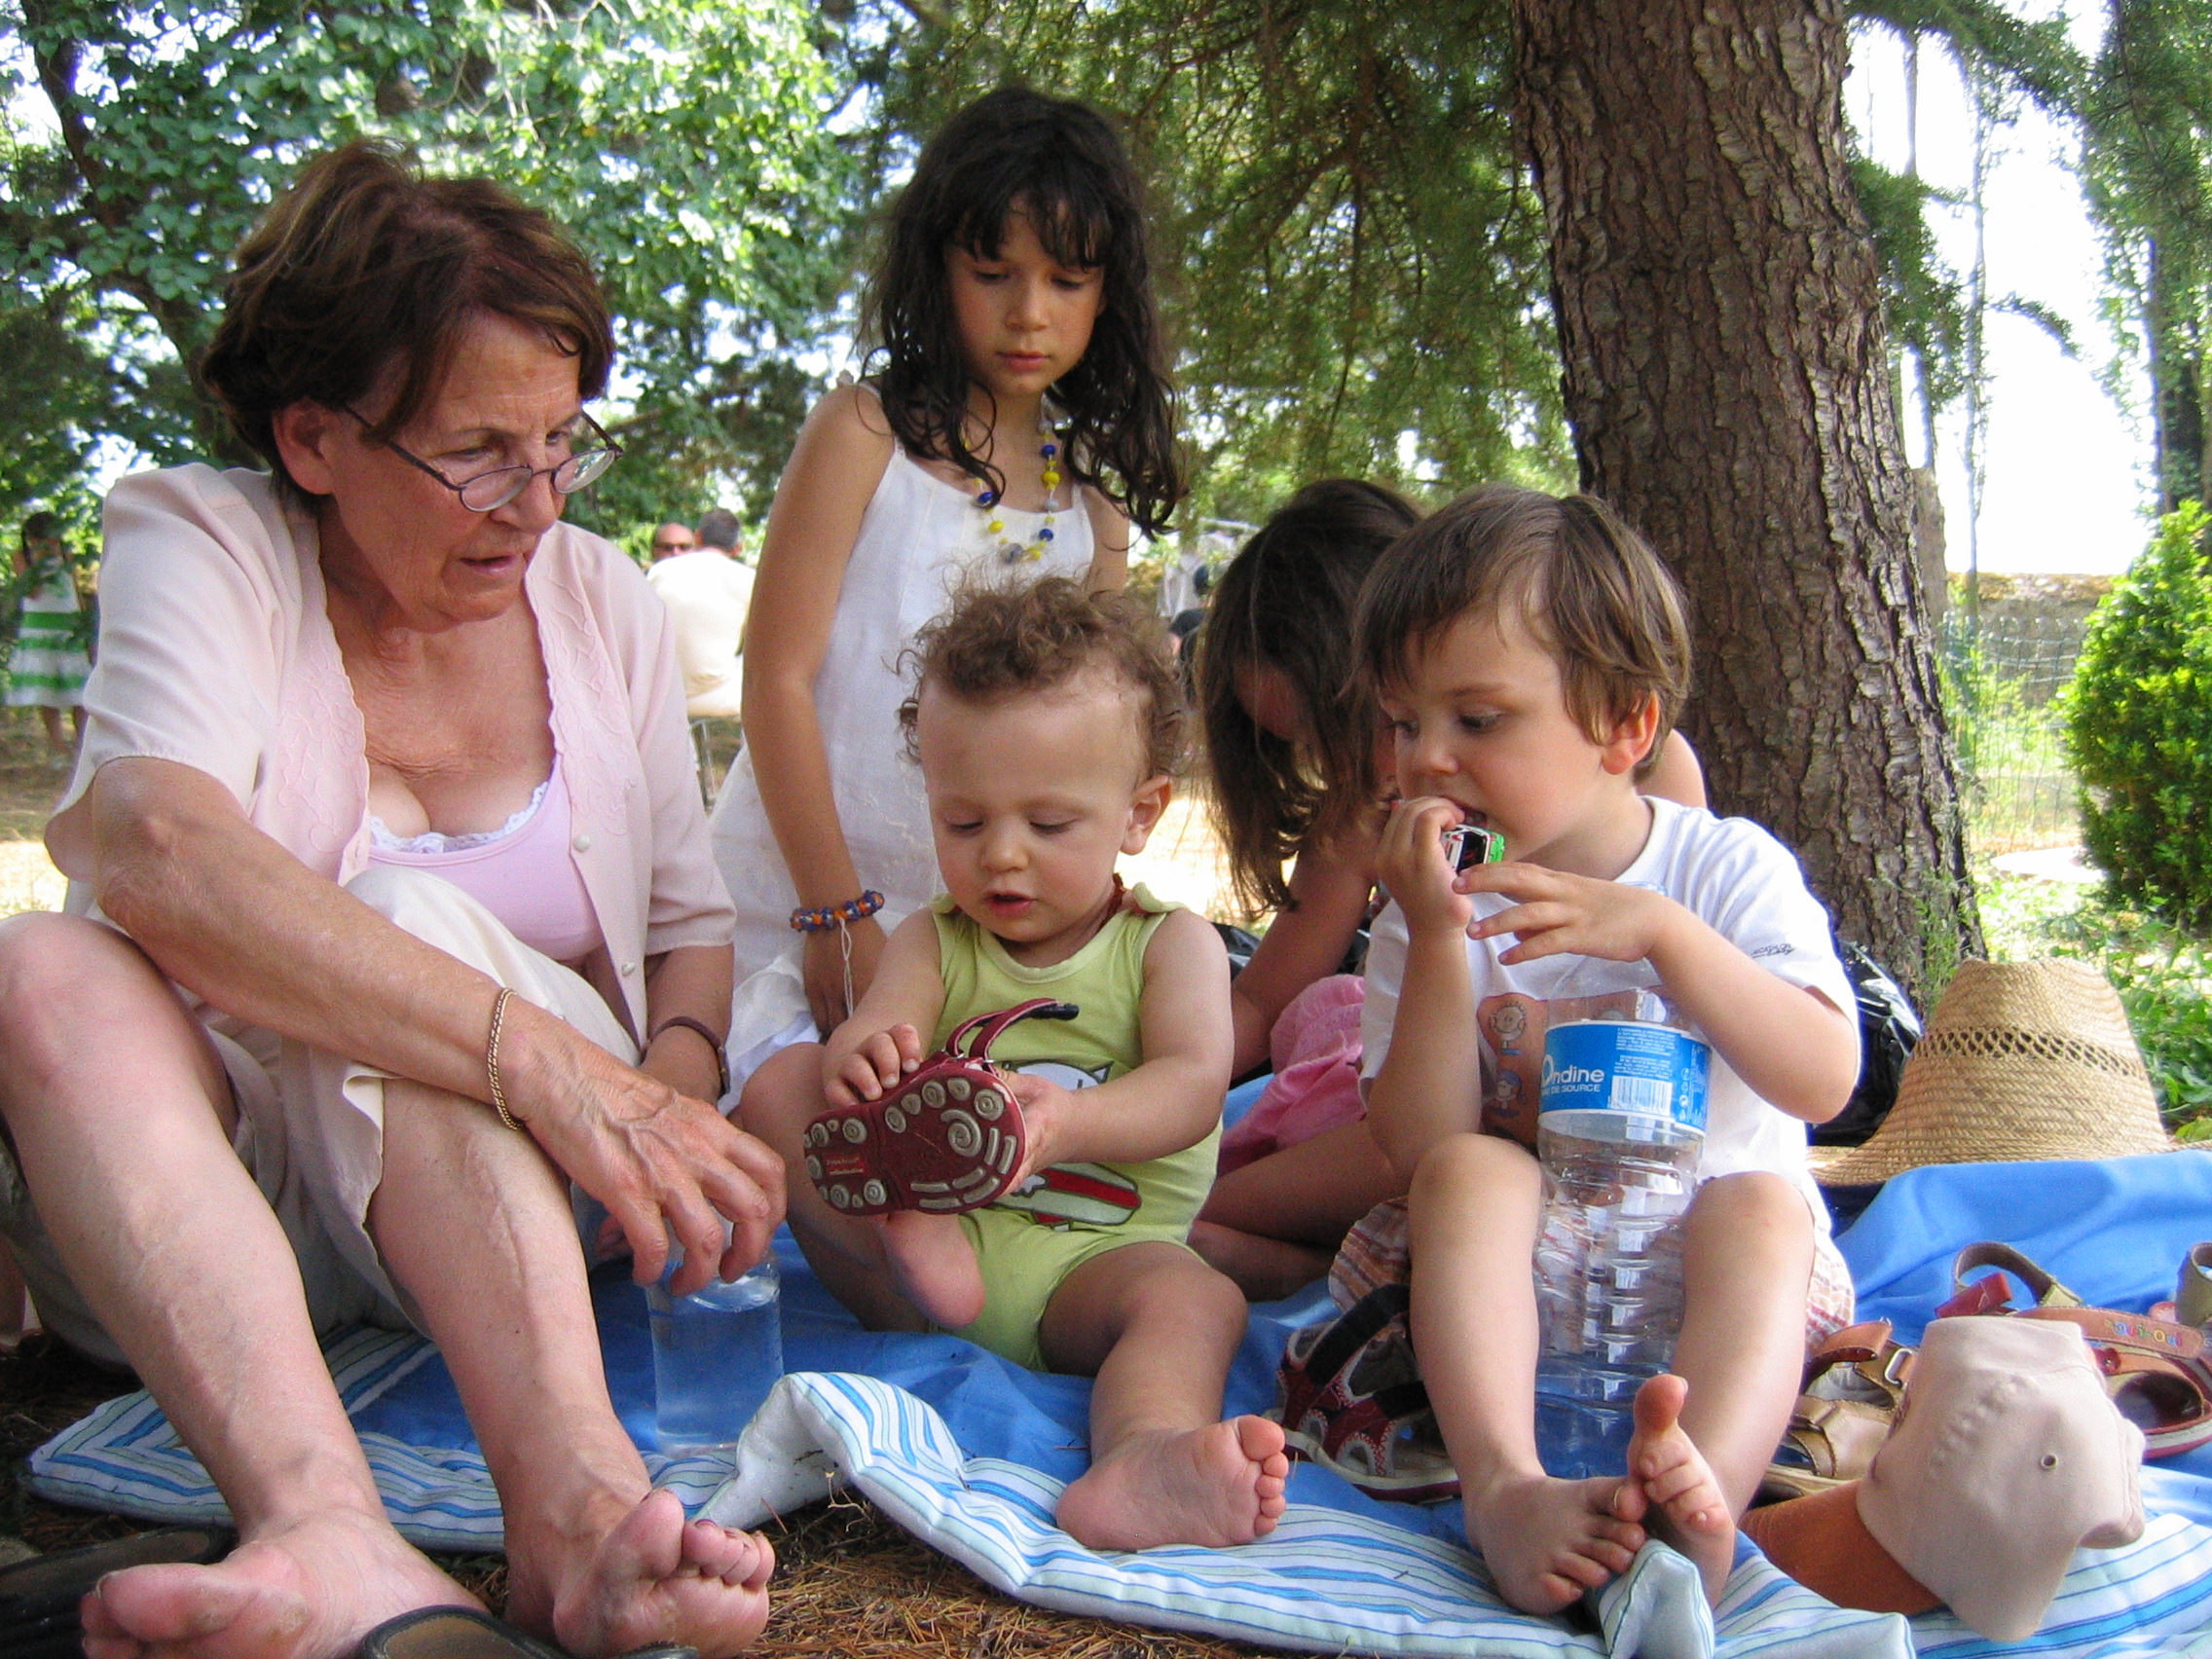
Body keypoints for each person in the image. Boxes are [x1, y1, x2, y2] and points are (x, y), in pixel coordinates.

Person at [0, 141, 784, 1659]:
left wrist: (654, 1098)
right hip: (224, 1229)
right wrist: (542, 1056)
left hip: (530, 1217)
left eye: (563, 445)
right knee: (38, 965)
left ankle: (574, 1523)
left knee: (407, 929)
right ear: (311, 438)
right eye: (479, 453)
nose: (536, 502)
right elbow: (151, 848)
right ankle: (327, 1532)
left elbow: (692, 933)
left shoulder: (604, 601)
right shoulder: (205, 540)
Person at [1351, 484, 1861, 1613]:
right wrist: (1435, 939)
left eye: (1476, 721)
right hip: (1506, 1289)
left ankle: (1700, 1507)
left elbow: (1823, 1076)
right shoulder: (1425, 908)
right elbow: (1418, 1153)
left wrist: (1668, 940)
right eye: (1401, 721)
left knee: (1762, 1203)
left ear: (1624, 725)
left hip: (1708, 1284)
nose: (1426, 760)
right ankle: (1502, 1487)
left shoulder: (1721, 871)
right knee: (1477, 1168)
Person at [740, 576, 1287, 1553]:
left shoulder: (1170, 947)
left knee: (1196, 1297)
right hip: (923, 1249)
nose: (1001, 857)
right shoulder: (931, 939)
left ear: (1140, 812)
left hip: (1097, 1258)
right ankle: (920, 1252)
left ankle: (1142, 1456)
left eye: (1046, 825)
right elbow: (880, 1029)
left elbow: (1195, 1089)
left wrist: (1065, 1124)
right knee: (781, 1084)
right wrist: (867, 1060)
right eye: (964, 823)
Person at [710, 86, 1180, 1086]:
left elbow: (1098, 734)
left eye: (1066, 279)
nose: (1028, 313)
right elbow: (776, 681)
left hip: (976, 938)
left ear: (1109, 293)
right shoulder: (861, 435)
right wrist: (834, 914)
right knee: (807, 1118)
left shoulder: (1089, 502)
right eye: (993, 271)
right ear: (937, 267)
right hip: (802, 912)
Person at [1187, 481, 1705, 1299]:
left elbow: (1684, 973)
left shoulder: (1646, 779)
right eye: (1399, 728)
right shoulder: (1363, 819)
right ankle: (1334, 1272)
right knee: (1195, 1207)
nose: (1414, 764)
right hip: (1436, 1111)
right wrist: (1150, 1065)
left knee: (1202, 1208)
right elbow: (1266, 1005)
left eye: (1339, 731)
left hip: (1603, 1121)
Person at [646, 509, 754, 720]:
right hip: (719, 700)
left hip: (660, 695)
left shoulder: (658, 572)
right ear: (737, 548)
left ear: (697, 538)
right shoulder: (749, 579)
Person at [8, 512, 92, 763]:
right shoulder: (21, 557)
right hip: (39, 627)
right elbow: (31, 591)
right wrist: (41, 562)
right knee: (45, 691)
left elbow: (75, 591)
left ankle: (83, 746)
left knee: (79, 690)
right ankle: (57, 747)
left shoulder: (68, 556)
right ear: (31, 539)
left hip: (68, 626)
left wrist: (84, 625)